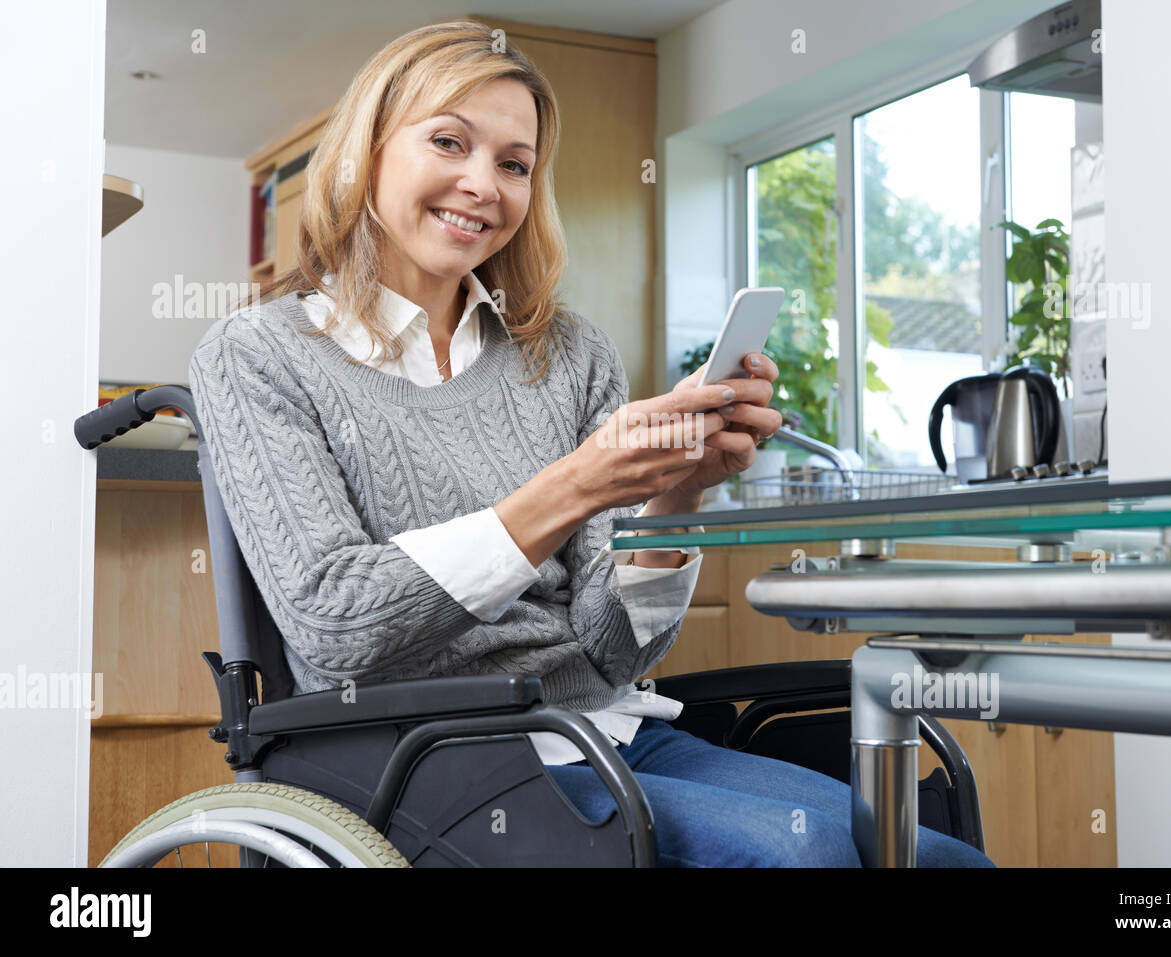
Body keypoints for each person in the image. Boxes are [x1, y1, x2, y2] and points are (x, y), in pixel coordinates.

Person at [188, 20, 993, 868]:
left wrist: (675, 493)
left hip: (610, 734)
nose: (481, 184)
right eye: (449, 142)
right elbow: (334, 623)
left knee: (936, 857)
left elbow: (615, 646)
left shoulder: (569, 355)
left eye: (514, 163)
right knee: (805, 861)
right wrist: (573, 485)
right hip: (430, 765)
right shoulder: (259, 354)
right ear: (366, 155)